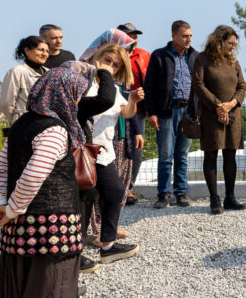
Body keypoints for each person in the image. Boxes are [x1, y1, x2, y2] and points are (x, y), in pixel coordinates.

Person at [0, 67, 87, 298]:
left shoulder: (20, 125)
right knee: (49, 294)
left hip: (18, 230)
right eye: (77, 96)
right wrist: (13, 208)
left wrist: (5, 206)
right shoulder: (56, 131)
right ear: (64, 96)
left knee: (17, 290)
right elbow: (34, 175)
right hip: (53, 228)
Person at [79, 44, 142, 263]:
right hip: (84, 151)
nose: (110, 66)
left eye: (115, 65)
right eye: (107, 60)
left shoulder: (113, 89)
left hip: (104, 151)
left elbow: (125, 112)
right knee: (85, 199)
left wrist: (132, 100)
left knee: (114, 192)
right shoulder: (84, 82)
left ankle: (107, 244)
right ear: (97, 56)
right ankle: (78, 251)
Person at [192, 25, 246, 214]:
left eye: (235, 44)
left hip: (232, 115)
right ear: (219, 41)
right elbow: (199, 85)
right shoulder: (203, 59)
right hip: (211, 115)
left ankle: (230, 197)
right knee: (211, 154)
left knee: (230, 155)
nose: (233, 47)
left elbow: (241, 86)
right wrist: (218, 106)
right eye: (230, 43)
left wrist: (230, 105)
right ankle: (214, 198)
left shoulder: (233, 61)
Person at [142, 21, 198, 209]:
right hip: (167, 111)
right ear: (174, 35)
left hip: (188, 112)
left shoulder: (194, 56)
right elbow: (149, 86)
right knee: (166, 154)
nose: (188, 39)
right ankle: (163, 194)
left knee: (182, 154)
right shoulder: (160, 56)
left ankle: (181, 192)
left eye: (190, 35)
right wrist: (152, 112)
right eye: (184, 36)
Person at [118, 23, 150, 205]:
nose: (134, 40)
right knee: (117, 149)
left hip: (137, 110)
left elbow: (151, 83)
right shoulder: (113, 57)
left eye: (135, 36)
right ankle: (116, 188)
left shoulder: (144, 55)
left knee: (136, 149)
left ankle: (128, 187)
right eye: (129, 36)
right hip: (115, 110)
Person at [0, 35, 48, 125]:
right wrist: (16, 122)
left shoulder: (49, 73)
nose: (44, 54)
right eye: (40, 50)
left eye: (47, 51)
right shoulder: (17, 71)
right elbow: (6, 104)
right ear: (27, 51)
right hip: (24, 124)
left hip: (46, 124)